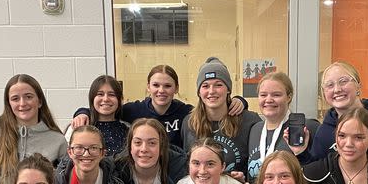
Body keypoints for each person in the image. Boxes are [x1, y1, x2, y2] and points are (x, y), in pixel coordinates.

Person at [72, 65, 248, 151]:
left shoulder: (186, 112)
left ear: (176, 88)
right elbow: (108, 108)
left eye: (167, 86)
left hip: (174, 172)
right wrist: (83, 112)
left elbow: (209, 107)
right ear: (148, 87)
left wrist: (239, 101)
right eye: (156, 85)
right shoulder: (134, 111)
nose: (161, 91)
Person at [305, 61, 368, 160]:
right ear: (324, 93)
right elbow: (317, 174)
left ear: (358, 86)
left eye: (343, 81)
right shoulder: (324, 133)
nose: (337, 89)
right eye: (330, 85)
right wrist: (301, 153)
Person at [181, 57, 262, 182]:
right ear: (199, 91)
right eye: (205, 86)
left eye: (218, 85)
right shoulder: (189, 123)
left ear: (228, 89)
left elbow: (258, 165)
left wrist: (246, 180)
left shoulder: (249, 121)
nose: (211, 91)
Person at [0, 74, 66, 184]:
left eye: (28, 97)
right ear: (8, 104)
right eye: (15, 99)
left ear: (39, 101)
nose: (22, 103)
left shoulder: (58, 140)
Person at [246, 72, 319, 180]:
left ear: (289, 97)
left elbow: (319, 172)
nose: (268, 100)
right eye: (263, 95)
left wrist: (302, 154)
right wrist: (247, 183)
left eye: (276, 95)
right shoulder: (255, 129)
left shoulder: (307, 128)